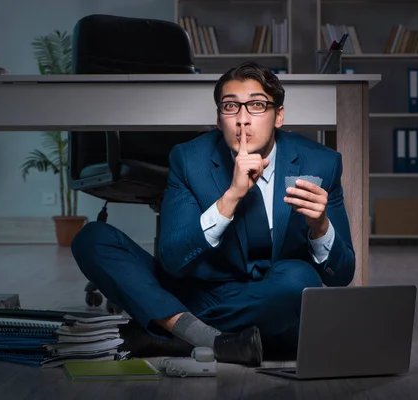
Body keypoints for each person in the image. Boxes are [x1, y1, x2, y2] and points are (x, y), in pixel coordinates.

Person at [71, 61, 356, 366]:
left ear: (279, 116)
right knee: (92, 238)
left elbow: (341, 275)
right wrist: (230, 198)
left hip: (267, 296)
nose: (243, 120)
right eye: (231, 107)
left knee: (299, 280)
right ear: (219, 120)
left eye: (257, 105)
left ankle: (171, 331)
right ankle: (214, 341)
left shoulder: (321, 163)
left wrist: (320, 226)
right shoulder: (189, 159)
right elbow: (173, 259)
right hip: (195, 291)